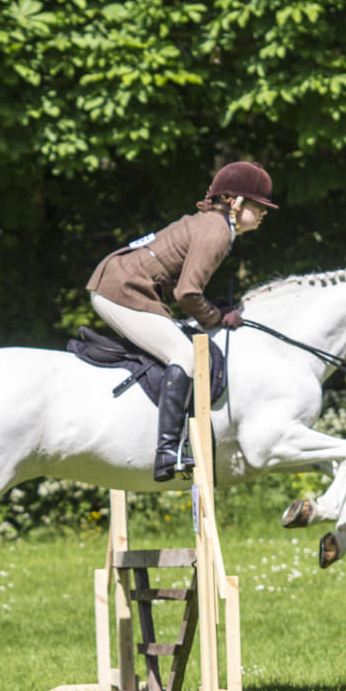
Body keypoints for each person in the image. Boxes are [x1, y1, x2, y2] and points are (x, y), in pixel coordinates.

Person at [86, 161, 276, 481]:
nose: (262, 215)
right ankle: (166, 452)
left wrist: (208, 311)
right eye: (258, 207)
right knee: (186, 355)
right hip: (122, 290)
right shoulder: (217, 231)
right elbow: (187, 293)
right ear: (235, 202)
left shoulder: (210, 224)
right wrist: (216, 317)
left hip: (119, 283)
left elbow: (184, 290)